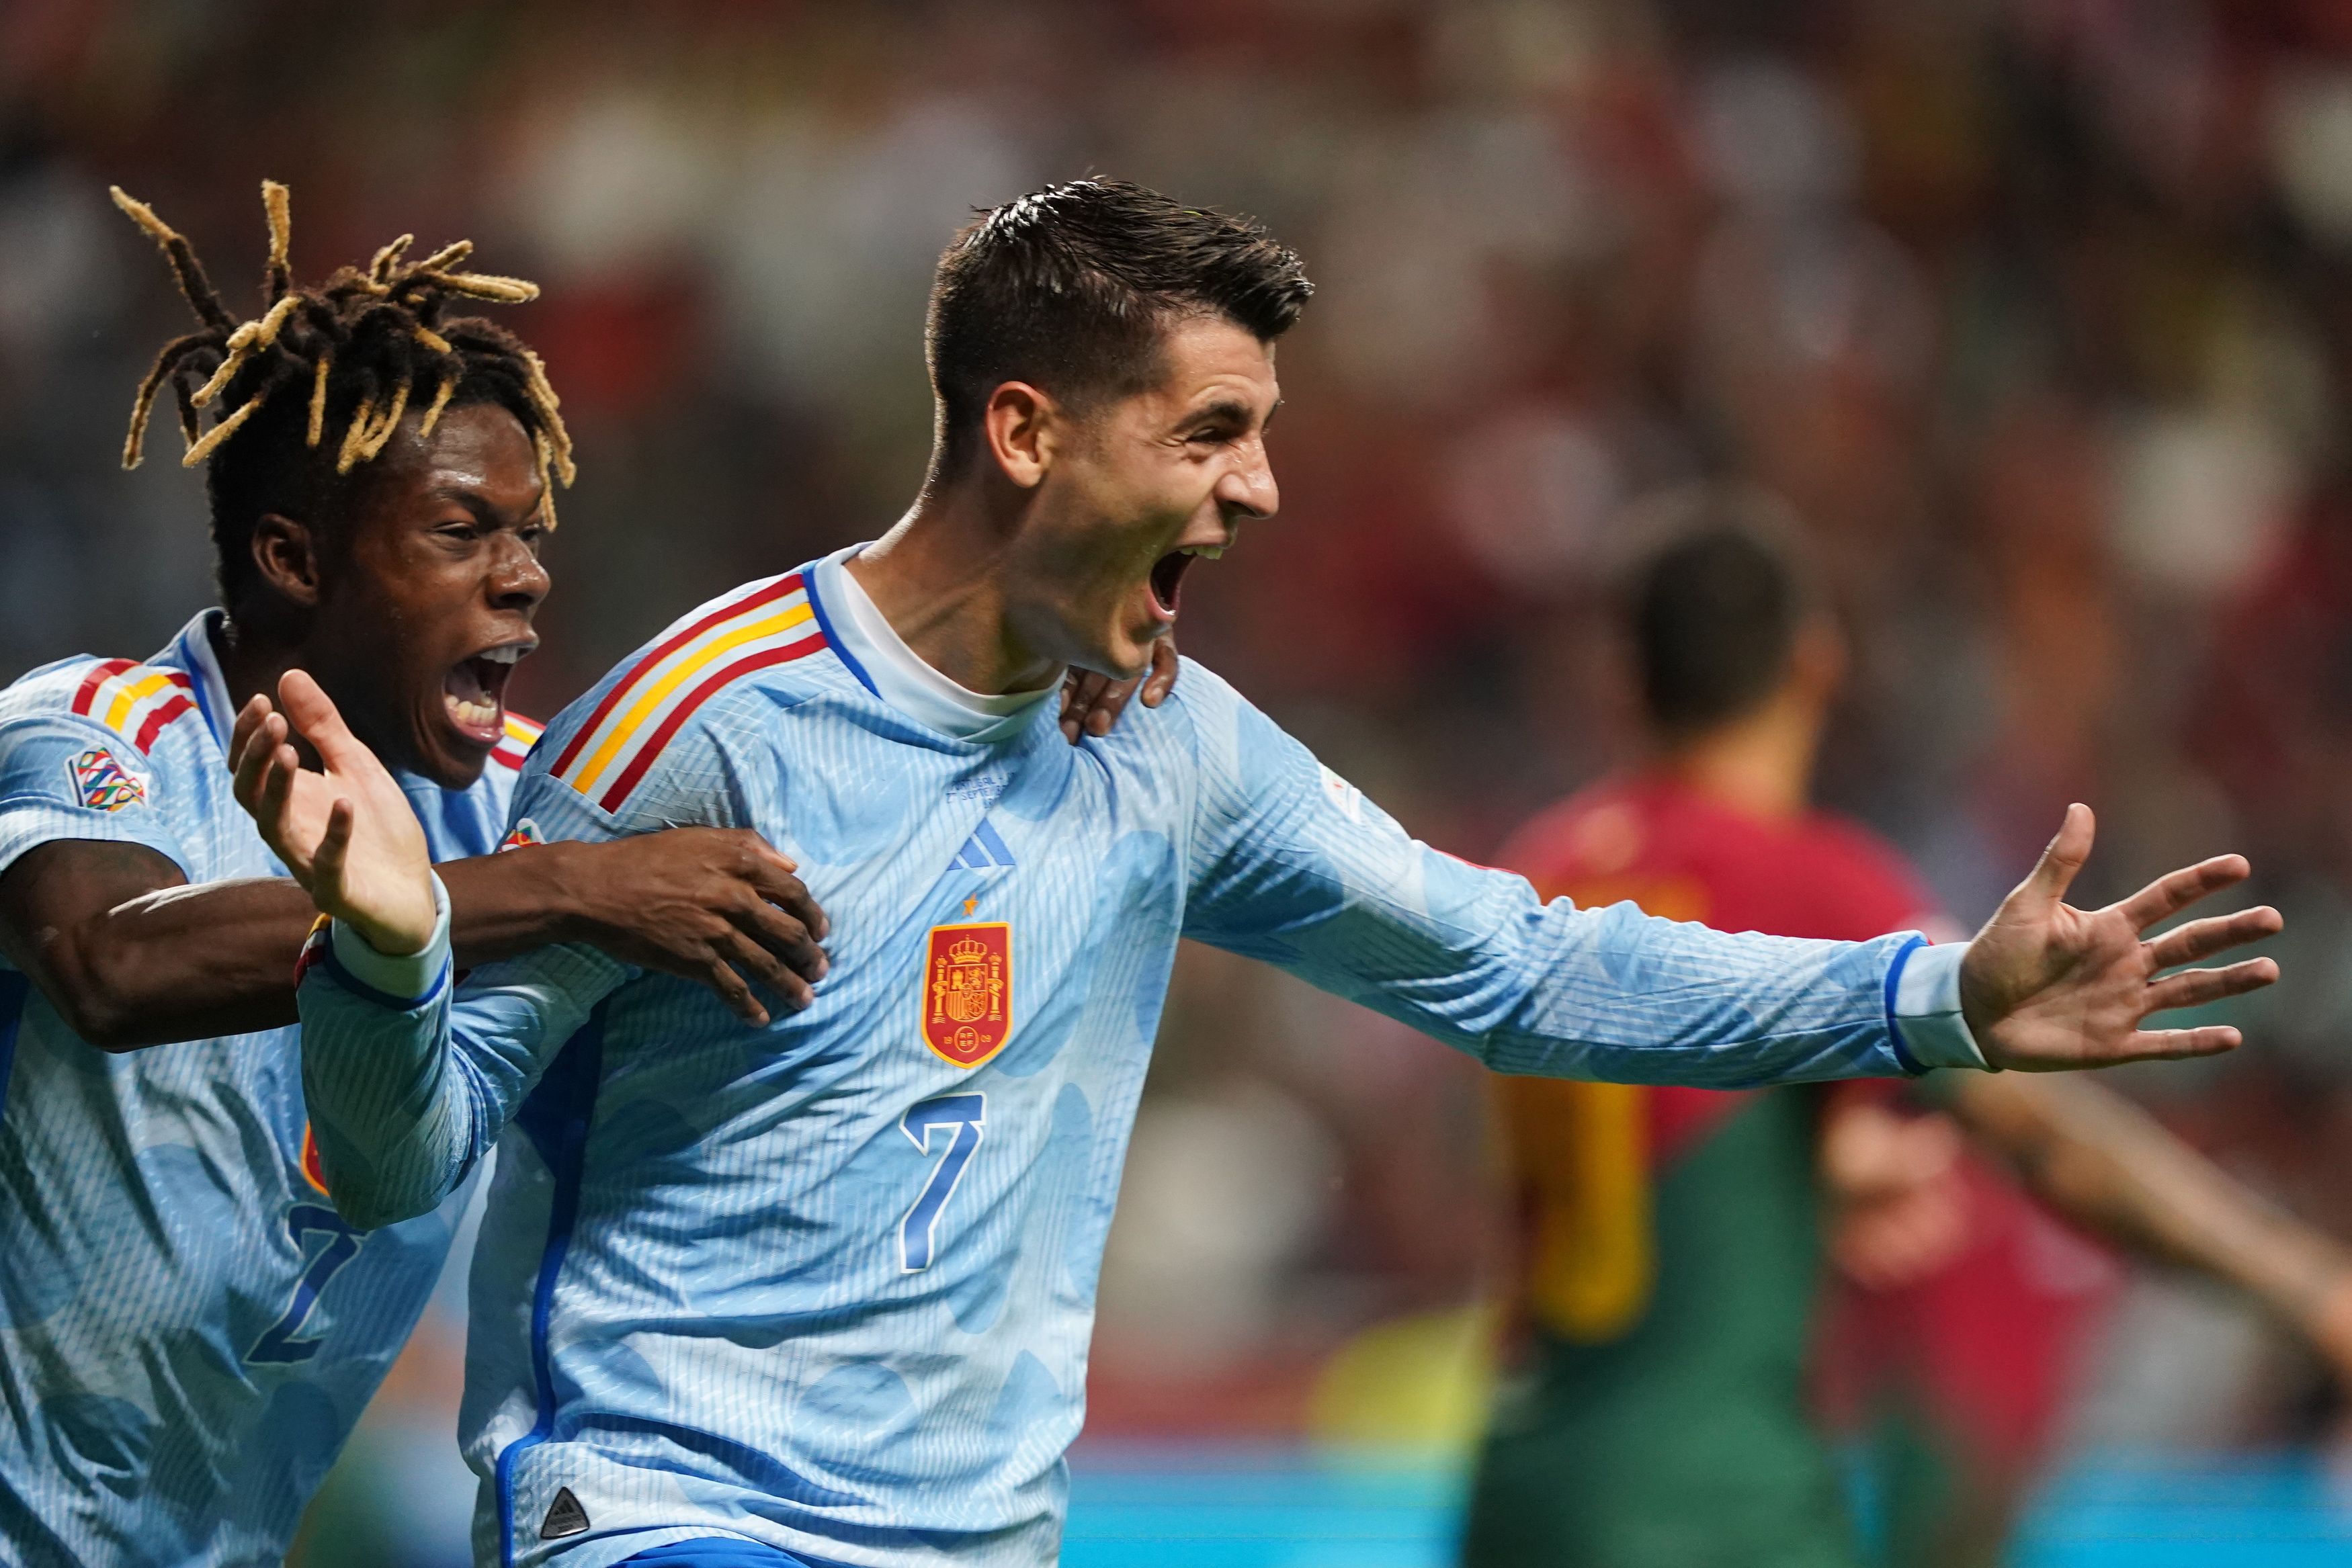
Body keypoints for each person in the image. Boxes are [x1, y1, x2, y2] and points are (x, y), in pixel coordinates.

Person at [237, 180, 2278, 1568]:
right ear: (1026, 431)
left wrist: (1926, 998)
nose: (1263, 485)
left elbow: (1513, 960)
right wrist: (384, 949)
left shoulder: (1172, 750)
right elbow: (409, 1154)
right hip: (675, 1504)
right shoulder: (711, 718)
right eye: (1210, 431)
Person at [1459, 492, 2352, 1568]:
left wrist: (1804, 1173)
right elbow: (2043, 1137)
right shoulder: (1804, 878)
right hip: (1712, 1500)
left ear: (1622, 676)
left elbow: (1621, 1145)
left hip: (1522, 1481)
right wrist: (2307, 1284)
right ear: (1816, 662)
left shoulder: (1546, 863)